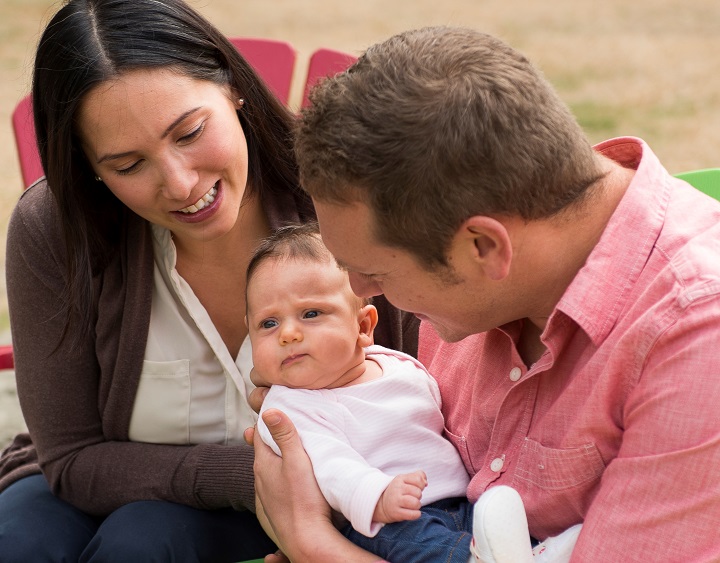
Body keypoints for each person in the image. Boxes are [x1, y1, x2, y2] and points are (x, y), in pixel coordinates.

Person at [246, 25, 720, 562]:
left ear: (484, 247)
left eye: (375, 273)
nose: (361, 292)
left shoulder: (696, 338)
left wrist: (315, 546)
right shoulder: (484, 283)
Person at [0, 1, 417, 561]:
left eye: (190, 132)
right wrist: (252, 472)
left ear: (232, 88)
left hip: (351, 491)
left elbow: (433, 404)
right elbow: (73, 458)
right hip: (106, 481)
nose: (179, 182)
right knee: (20, 542)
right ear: (89, 168)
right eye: (127, 165)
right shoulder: (54, 230)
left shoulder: (346, 197)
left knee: (142, 541)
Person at [246, 222, 472, 563]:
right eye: (268, 323)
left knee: (498, 517)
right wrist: (377, 497)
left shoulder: (396, 364)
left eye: (310, 313)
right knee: (432, 549)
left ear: (363, 327)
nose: (288, 334)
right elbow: (332, 466)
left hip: (459, 499)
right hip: (381, 521)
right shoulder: (288, 408)